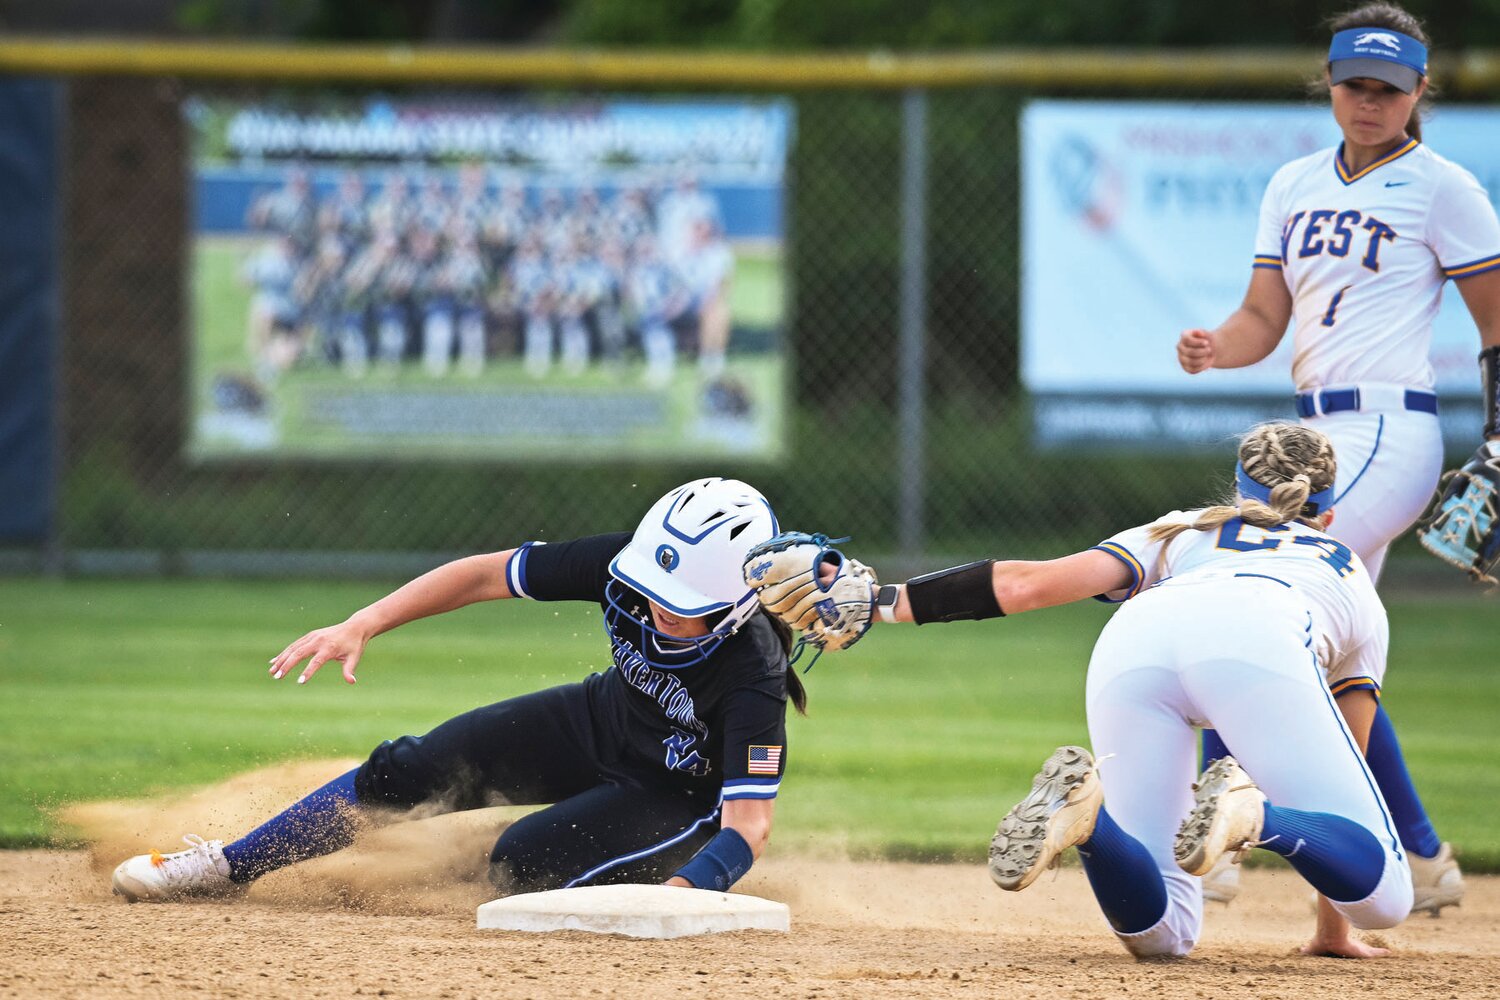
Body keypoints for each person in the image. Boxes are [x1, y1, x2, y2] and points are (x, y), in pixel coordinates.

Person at [751, 423, 1411, 958]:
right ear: (1331, 507)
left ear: (1239, 489)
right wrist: (1334, 933)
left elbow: (1027, 584)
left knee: (1163, 938)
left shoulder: (1184, 529)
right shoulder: (1349, 574)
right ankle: (1254, 817)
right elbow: (1346, 796)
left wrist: (884, 601)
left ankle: (1089, 822)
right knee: (1388, 897)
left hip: (1135, 641)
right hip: (1260, 638)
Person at [1174, 2, 1499, 914]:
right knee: (1340, 651)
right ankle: (1424, 860)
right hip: (1316, 434)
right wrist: (1215, 347)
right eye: (1356, 84)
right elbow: (1262, 322)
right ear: (1330, 82)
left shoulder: (1444, 188)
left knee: (1248, 578)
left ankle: (1218, 822)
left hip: (1393, 431)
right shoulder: (1293, 185)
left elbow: (1497, 324)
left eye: (1390, 90)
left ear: (1419, 92)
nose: (1371, 102)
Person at [111, 478, 801, 903]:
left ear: (738, 605)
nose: (657, 607)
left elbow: (749, 826)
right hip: (602, 720)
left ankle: (552, 853)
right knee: (408, 767)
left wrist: (687, 894)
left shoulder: (754, 673)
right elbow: (483, 575)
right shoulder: (628, 565)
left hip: (677, 797)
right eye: (654, 588)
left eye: (680, 602)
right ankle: (227, 868)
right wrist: (366, 621)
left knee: (521, 863)